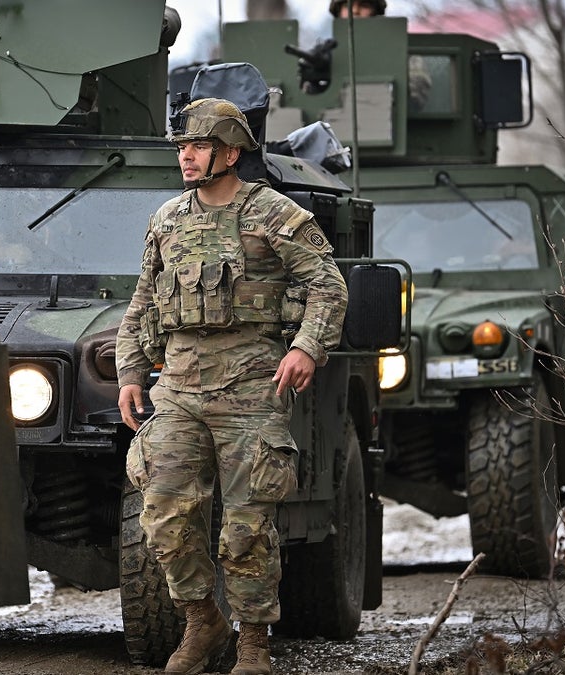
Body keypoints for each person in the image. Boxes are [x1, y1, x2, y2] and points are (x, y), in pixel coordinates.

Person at [115, 98, 348, 675]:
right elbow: (143, 301)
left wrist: (305, 347)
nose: (187, 157)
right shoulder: (166, 219)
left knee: (247, 525)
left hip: (250, 384)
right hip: (178, 385)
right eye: (182, 148)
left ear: (231, 153)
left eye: (197, 147)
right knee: (164, 511)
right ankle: (202, 621)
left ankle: (253, 643)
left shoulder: (275, 214)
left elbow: (328, 285)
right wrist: (128, 371)